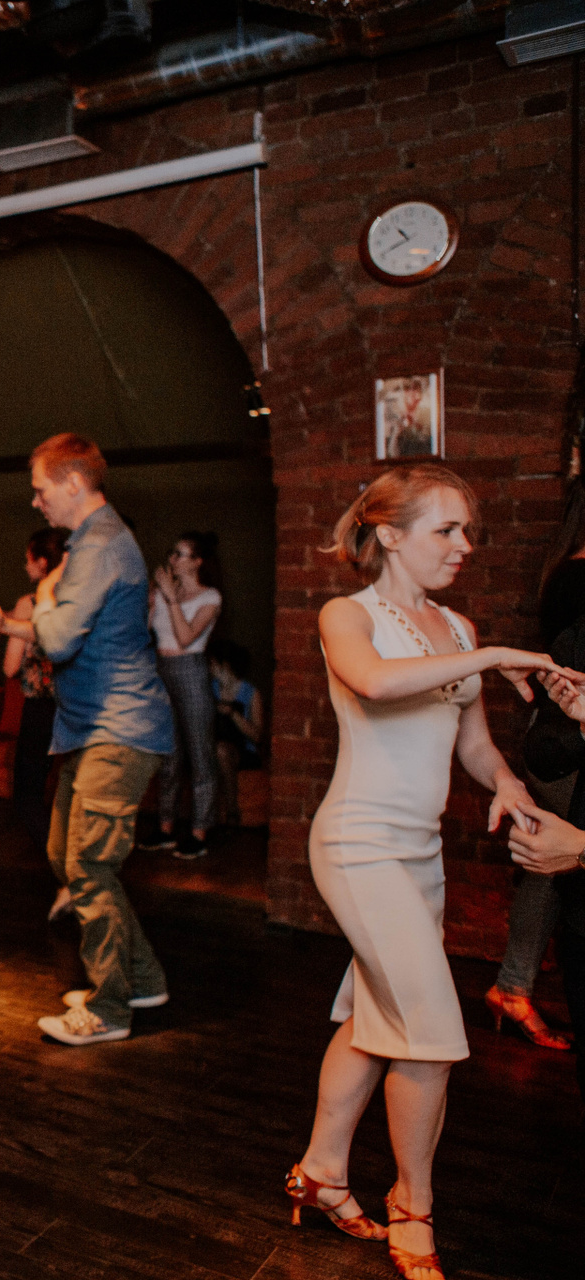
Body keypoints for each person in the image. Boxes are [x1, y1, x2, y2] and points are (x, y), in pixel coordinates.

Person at [287, 464, 565, 1280]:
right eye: (446, 529)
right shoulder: (348, 615)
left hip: (420, 855)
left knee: (375, 1020)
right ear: (390, 534)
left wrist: (508, 784)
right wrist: (494, 654)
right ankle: (414, 1207)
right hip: (358, 844)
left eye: (466, 530)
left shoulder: (455, 625)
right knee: (431, 1035)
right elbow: (375, 683)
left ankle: (321, 1172)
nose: (464, 545)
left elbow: (472, 745)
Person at [25, 433, 175, 1045]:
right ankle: (141, 978)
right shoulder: (93, 540)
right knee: (66, 853)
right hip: (95, 728)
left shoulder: (100, 543)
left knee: (88, 865)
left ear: (73, 483)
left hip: (121, 727)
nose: (36, 502)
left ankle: (109, 1008)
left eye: (41, 490)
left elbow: (59, 638)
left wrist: (40, 601)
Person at [479, 510, 585, 1051]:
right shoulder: (578, 577)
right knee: (551, 865)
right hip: (565, 744)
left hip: (555, 731)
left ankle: (513, 987)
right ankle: (513, 988)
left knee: (552, 864)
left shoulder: (561, 570)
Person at [1, 527, 70, 917]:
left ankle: (67, 875)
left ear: (42, 563)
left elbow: (10, 667)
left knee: (27, 796)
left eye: (28, 558)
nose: (25, 564)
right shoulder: (78, 600)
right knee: (71, 794)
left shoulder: (29, 604)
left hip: (42, 709)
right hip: (78, 707)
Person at [147, 531, 224, 859]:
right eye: (172, 553)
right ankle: (165, 829)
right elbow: (146, 633)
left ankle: (198, 833)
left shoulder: (210, 597)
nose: (173, 559)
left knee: (200, 754)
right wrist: (153, 601)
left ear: (197, 562)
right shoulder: (163, 592)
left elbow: (185, 637)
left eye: (180, 554)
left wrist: (171, 599)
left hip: (191, 670)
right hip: (161, 670)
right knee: (168, 755)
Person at [208, 639, 263, 828]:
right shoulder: (211, 688)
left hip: (242, 749)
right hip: (213, 743)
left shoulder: (250, 693)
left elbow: (257, 736)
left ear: (225, 666)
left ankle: (232, 813)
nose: (210, 669)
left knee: (221, 751)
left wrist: (232, 713)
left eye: (213, 664)